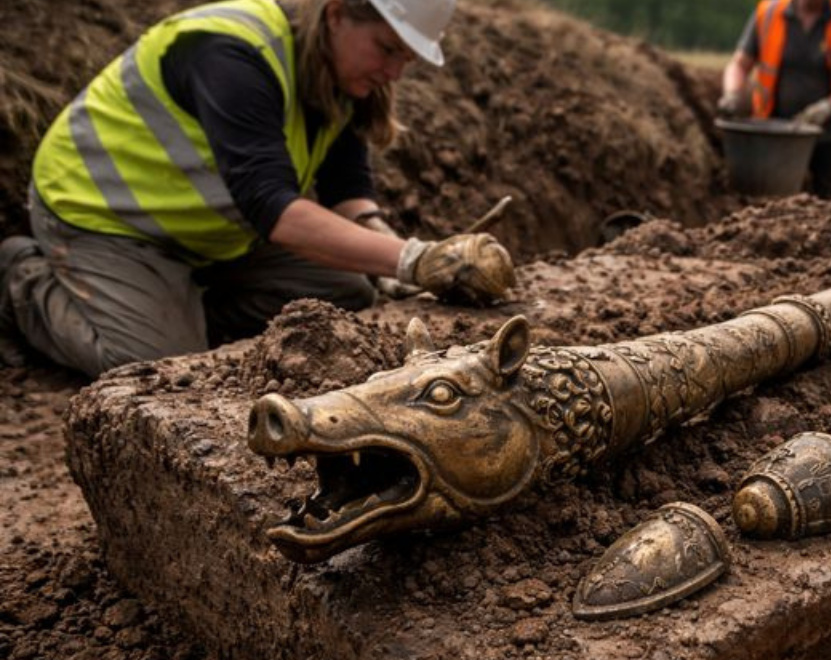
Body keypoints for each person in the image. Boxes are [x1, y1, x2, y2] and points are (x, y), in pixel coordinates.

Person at [0, 0, 516, 377]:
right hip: (102, 214)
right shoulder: (232, 54)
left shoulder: (336, 74)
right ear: (337, 13)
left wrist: (391, 271)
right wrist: (415, 260)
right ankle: (22, 277)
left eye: (406, 59)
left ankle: (173, 304)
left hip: (202, 230)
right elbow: (276, 212)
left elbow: (347, 190)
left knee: (348, 290)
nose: (393, 72)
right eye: (387, 49)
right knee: (158, 364)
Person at [718, 0, 831, 199]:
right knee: (772, 199)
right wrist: (732, 93)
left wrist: (828, 107)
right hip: (778, 132)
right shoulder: (769, 13)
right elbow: (739, 65)